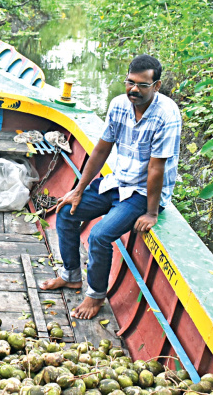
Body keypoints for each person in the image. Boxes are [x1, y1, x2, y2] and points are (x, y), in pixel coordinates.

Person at [39, 55, 181, 320]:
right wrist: (78, 189)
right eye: (130, 82)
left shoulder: (166, 115)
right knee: (67, 211)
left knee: (99, 236)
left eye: (142, 85)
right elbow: (102, 149)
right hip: (119, 181)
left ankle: (95, 295)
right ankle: (70, 276)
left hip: (143, 192)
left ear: (157, 86)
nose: (134, 90)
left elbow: (156, 168)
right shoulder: (119, 105)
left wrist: (151, 213)